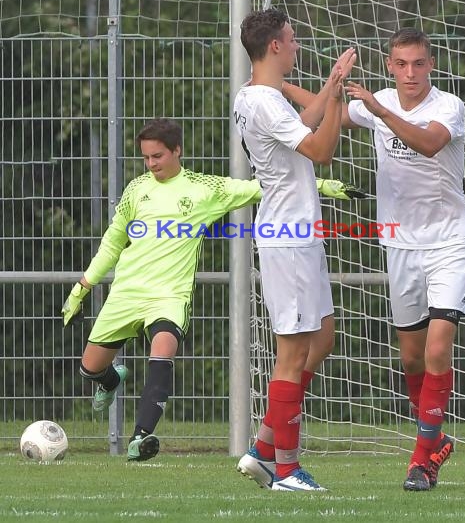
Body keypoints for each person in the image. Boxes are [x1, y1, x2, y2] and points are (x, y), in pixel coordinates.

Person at [61, 117, 363, 462]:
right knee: (90, 368)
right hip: (127, 292)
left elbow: (261, 186)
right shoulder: (136, 190)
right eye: (146, 158)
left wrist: (324, 186)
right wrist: (83, 286)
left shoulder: (203, 189)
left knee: (162, 353)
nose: (151, 164)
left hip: (168, 295)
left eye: (157, 156)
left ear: (177, 151)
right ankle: (110, 380)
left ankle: (141, 437)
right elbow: (113, 242)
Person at [283, 28, 465, 491]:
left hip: (450, 243)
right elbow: (325, 108)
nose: (410, 73)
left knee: (436, 348)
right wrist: (278, 86)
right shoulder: (380, 102)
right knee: (412, 360)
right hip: (400, 245)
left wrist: (379, 110)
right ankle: (436, 440)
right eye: (401, 64)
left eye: (418, 64)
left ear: (430, 65)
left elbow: (428, 143)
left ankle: (420, 461)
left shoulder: (446, 106)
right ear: (390, 66)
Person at [233, 8, 357, 492]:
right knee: (293, 352)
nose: (298, 44)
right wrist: (340, 95)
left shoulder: (258, 96)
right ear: (275, 47)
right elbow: (320, 150)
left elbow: (300, 125)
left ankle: (265, 446)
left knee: (321, 338)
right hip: (288, 235)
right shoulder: (262, 101)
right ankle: (285, 468)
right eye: (292, 38)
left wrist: (328, 87)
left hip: (299, 232)